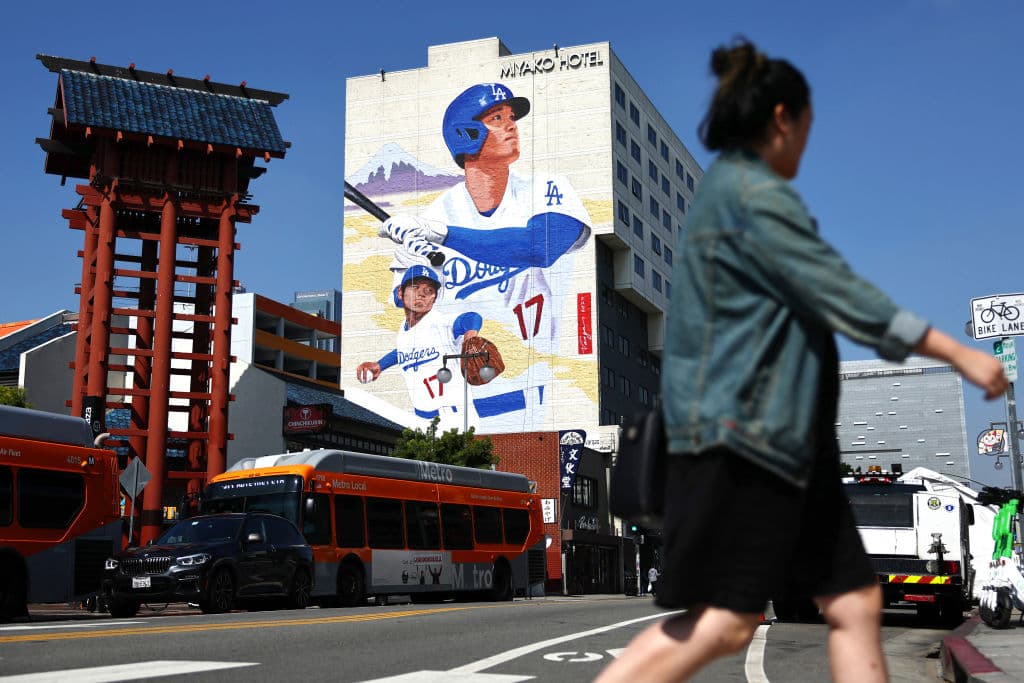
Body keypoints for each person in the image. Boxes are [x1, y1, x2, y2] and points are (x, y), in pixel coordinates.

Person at [595, 39, 1007, 683]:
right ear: (781, 120)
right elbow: (842, 293)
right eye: (806, 129)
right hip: (757, 447)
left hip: (785, 448)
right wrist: (957, 352)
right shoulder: (749, 194)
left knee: (853, 600)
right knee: (728, 620)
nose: (805, 145)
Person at [377, 82, 592, 429]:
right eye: (496, 117)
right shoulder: (432, 216)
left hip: (526, 393)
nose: (511, 125)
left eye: (511, 117)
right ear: (467, 133)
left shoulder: (548, 188)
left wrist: (443, 235)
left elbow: (540, 247)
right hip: (449, 399)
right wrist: (414, 265)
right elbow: (407, 307)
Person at [356, 265, 486, 432]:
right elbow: (402, 351)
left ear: (434, 298)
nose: (422, 293)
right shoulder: (404, 330)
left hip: (455, 417)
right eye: (415, 287)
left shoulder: (440, 323)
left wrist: (471, 332)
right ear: (400, 293)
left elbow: (470, 317)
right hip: (421, 420)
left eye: (429, 290)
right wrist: (380, 365)